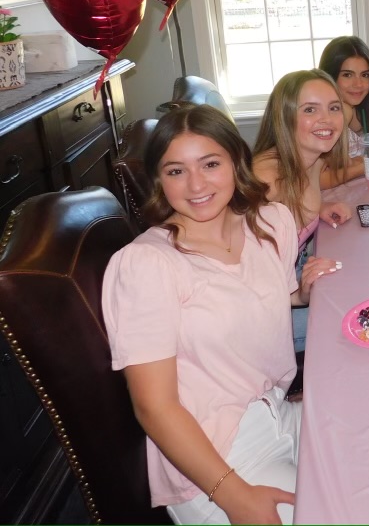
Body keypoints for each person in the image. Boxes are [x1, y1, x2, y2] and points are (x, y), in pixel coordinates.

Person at [102, 104, 339, 524]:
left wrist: (301, 292)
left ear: (236, 161)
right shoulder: (147, 265)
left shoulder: (270, 221)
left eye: (210, 164)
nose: (196, 184)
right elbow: (154, 407)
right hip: (213, 458)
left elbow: (267, 294)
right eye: (176, 171)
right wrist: (233, 496)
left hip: (276, 411)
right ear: (159, 179)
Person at [253, 69, 353, 353]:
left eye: (334, 108)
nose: (327, 119)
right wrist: (301, 292)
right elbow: (241, 285)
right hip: (260, 320)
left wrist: (318, 208)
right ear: (284, 117)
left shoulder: (314, 160)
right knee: (355, 320)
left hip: (287, 280)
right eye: (310, 109)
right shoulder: (266, 182)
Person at [318, 35, 369, 187]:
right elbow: (318, 180)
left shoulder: (359, 110)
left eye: (365, 75)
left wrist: (360, 162)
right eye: (347, 75)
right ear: (329, 76)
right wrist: (365, 165)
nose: (358, 84)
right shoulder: (338, 114)